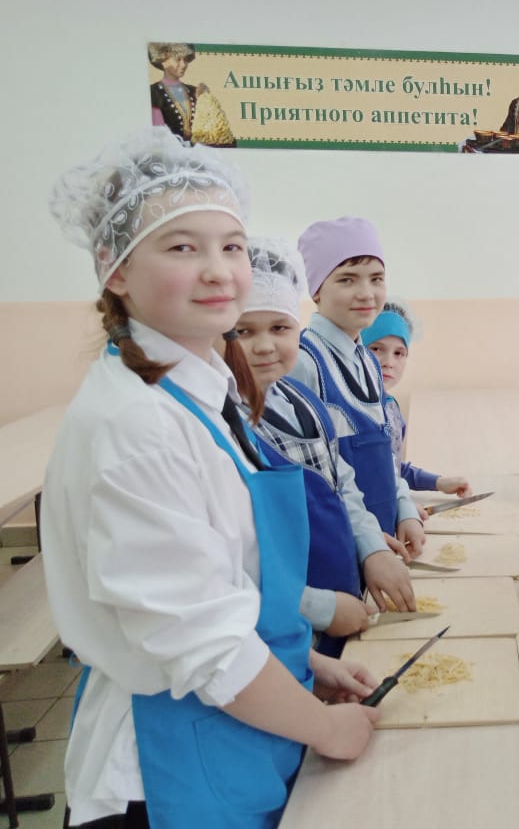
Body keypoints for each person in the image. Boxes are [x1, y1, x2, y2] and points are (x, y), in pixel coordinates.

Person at [42, 129, 378, 829]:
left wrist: (308, 665)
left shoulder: (196, 388)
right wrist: (323, 726)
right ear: (114, 269)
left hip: (230, 730)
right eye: (181, 248)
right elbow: (202, 645)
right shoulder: (135, 424)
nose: (219, 271)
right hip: (163, 771)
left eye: (231, 246)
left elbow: (222, 582)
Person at [233, 239, 416, 658]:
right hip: (283, 624)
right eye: (244, 331)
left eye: (280, 328)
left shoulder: (301, 401)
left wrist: (370, 547)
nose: (265, 346)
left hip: (342, 588)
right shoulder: (228, 426)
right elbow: (237, 563)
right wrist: (321, 609)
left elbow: (341, 482)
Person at [290, 217, 426, 563]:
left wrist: (404, 508)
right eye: (347, 279)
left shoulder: (367, 361)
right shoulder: (304, 363)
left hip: (382, 543)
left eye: (376, 279)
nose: (366, 293)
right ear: (316, 289)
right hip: (340, 546)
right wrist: (368, 542)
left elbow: (387, 454)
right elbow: (314, 478)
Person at [361, 303, 472, 498]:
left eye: (399, 353)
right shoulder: (351, 412)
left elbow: (393, 469)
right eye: (376, 348)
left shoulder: (391, 409)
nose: (389, 362)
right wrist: (401, 506)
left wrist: (438, 482)